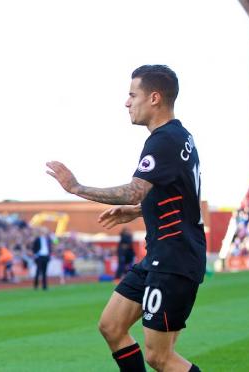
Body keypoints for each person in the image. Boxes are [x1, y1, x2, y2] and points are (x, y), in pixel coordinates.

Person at [47, 65, 205, 372]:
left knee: (160, 357)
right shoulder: (181, 135)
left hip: (174, 259)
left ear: (155, 98)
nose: (127, 102)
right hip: (161, 255)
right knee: (111, 326)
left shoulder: (163, 140)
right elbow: (179, 193)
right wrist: (138, 211)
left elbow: (134, 190)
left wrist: (76, 188)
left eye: (133, 95)